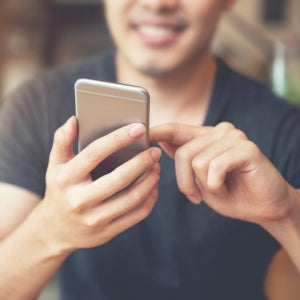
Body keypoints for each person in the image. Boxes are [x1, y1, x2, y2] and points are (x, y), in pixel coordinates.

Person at [0, 0, 299, 299]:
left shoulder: (287, 132)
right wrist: (50, 232)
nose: (157, 3)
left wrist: (286, 212)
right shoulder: (36, 105)